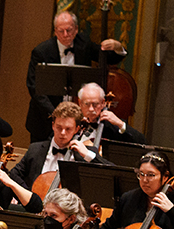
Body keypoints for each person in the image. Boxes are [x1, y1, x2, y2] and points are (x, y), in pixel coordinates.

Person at [25, 11, 126, 143]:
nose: (65, 35)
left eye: (69, 30)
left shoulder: (84, 44)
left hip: (76, 120)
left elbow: (109, 58)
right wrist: (55, 114)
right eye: (61, 31)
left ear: (76, 29)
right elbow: (34, 87)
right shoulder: (41, 51)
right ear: (55, 31)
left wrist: (118, 48)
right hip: (44, 117)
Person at [8, 102, 103, 192]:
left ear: (76, 129)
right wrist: (27, 195)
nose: (62, 133)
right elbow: (14, 174)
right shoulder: (35, 149)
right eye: (59, 127)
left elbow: (110, 175)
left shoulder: (85, 152)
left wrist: (87, 155)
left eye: (68, 129)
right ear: (53, 125)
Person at [77, 81, 144, 144]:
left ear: (103, 103)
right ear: (80, 103)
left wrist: (120, 124)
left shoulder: (111, 125)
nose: (91, 109)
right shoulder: (74, 121)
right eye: (87, 104)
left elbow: (142, 142)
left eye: (95, 104)